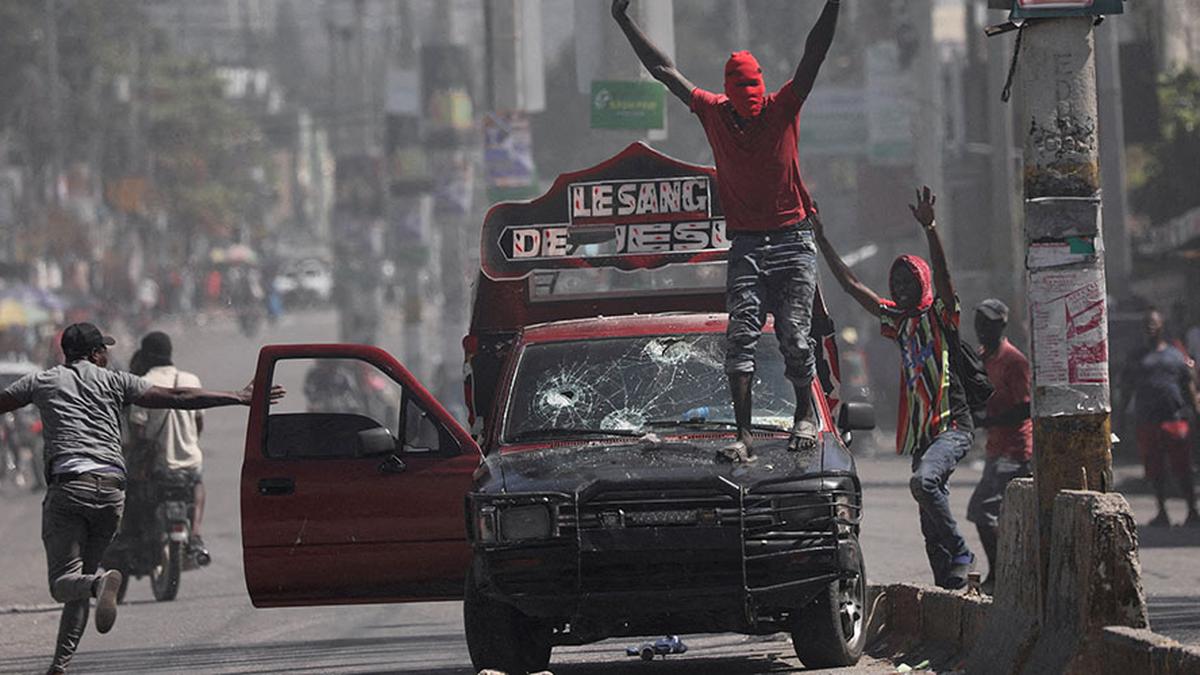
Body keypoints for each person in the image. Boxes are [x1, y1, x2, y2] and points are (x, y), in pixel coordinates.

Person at [612, 0, 841, 462]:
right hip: (747, 243)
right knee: (739, 339)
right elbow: (663, 69)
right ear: (729, 92)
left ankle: (803, 415)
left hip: (793, 239)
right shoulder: (713, 112)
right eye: (743, 90)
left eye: (755, 86)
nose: (751, 99)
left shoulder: (782, 108)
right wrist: (623, 19)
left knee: (796, 336)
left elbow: (813, 52)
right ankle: (743, 435)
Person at [0, 322, 284, 674]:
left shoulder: (43, 381)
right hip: (112, 493)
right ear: (95, 354)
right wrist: (237, 397)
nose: (109, 354)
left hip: (70, 490)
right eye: (105, 349)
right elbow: (178, 398)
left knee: (65, 583)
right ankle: (60, 663)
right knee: (83, 578)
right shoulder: (116, 381)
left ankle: (100, 584)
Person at [814, 187, 976, 590]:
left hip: (952, 426)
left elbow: (945, 278)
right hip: (924, 436)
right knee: (927, 519)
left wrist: (931, 229)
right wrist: (821, 240)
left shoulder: (940, 315)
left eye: (909, 281)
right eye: (896, 282)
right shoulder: (898, 322)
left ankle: (962, 551)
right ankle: (950, 587)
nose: (901, 288)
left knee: (923, 484)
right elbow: (852, 286)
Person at [965, 299, 1032, 595]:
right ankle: (1006, 572)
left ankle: (1004, 573)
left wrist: (987, 421)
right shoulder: (982, 357)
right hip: (996, 448)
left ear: (1002, 325)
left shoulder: (1014, 361)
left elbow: (1024, 409)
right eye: (979, 322)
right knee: (986, 512)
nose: (981, 329)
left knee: (984, 511)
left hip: (1014, 449)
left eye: (988, 323)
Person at [127, 331, 210, 559]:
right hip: (190, 462)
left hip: (158, 465)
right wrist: (189, 442)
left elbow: (138, 430)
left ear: (145, 355)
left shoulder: (143, 384)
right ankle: (195, 533)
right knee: (198, 483)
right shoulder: (191, 380)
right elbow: (199, 423)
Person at [1120, 308, 1200, 527]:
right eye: (1147, 323)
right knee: (1155, 470)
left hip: (1175, 418)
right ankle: (1162, 512)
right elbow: (1126, 388)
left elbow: (1189, 385)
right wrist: (1120, 418)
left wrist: (1195, 411)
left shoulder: (1175, 354)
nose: (1150, 326)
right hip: (1147, 420)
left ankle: (1192, 511)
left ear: (1162, 325)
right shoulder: (1136, 357)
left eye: (1154, 322)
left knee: (1182, 468)